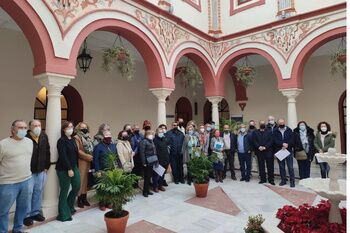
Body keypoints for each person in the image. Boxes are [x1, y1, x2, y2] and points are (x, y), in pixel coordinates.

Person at [0, 120, 33, 233]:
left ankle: (17, 229)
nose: (23, 130)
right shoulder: (3, 144)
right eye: (20, 127)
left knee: (22, 208)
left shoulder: (29, 142)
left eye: (24, 127)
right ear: (13, 129)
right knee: (3, 210)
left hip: (26, 180)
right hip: (8, 183)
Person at [24, 120, 51, 226]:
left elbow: (47, 151)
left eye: (39, 125)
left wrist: (46, 166)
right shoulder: (25, 138)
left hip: (41, 170)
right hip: (28, 172)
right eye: (35, 125)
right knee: (27, 194)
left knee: (38, 192)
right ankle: (26, 216)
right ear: (30, 127)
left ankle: (35, 213)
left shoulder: (44, 136)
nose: (37, 127)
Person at [56, 121, 81, 221]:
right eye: (68, 127)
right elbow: (63, 156)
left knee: (76, 186)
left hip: (74, 166)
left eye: (71, 126)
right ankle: (63, 214)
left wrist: (75, 167)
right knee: (64, 190)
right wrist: (69, 169)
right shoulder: (61, 141)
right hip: (64, 168)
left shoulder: (73, 139)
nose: (70, 129)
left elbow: (75, 154)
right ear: (64, 129)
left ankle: (69, 206)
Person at [93, 131, 118, 210]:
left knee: (110, 186)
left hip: (112, 170)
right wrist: (98, 171)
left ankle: (108, 202)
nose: (108, 136)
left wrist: (119, 167)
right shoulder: (98, 147)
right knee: (102, 187)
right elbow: (95, 160)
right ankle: (102, 203)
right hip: (102, 170)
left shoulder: (113, 146)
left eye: (110, 134)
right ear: (103, 136)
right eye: (106, 135)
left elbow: (116, 157)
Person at [74, 122, 94, 208]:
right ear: (78, 128)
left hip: (89, 162)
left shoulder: (88, 137)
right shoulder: (76, 137)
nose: (84, 129)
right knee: (81, 181)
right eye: (82, 127)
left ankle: (84, 198)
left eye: (85, 127)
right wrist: (88, 157)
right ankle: (79, 200)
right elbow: (78, 151)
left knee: (86, 181)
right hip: (82, 161)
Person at [273, 119, 295, 187]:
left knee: (290, 167)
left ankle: (292, 181)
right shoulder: (275, 131)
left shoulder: (289, 130)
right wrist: (282, 144)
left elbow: (292, 139)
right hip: (280, 151)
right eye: (280, 123)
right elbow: (274, 140)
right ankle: (283, 180)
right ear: (278, 124)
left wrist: (287, 144)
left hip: (288, 151)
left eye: (282, 122)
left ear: (284, 122)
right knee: (281, 167)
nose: (281, 124)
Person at [252, 121, 275, 185]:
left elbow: (271, 141)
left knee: (270, 166)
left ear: (265, 124)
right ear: (259, 124)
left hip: (268, 151)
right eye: (261, 123)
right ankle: (263, 179)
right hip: (259, 151)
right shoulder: (255, 132)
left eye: (263, 123)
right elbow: (254, 140)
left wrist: (265, 147)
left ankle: (271, 180)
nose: (262, 124)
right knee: (261, 166)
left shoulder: (269, 131)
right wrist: (258, 146)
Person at [139, 131, 157, 197]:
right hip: (146, 161)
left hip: (151, 161)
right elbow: (142, 153)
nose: (151, 135)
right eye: (150, 134)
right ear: (146, 135)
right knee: (146, 177)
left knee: (149, 177)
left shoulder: (151, 141)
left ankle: (147, 190)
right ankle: (145, 192)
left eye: (152, 134)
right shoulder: (144, 142)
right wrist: (143, 162)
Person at [153, 127, 170, 192]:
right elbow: (155, 151)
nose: (161, 133)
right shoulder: (155, 140)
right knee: (156, 175)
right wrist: (156, 160)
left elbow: (166, 149)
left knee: (162, 174)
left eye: (162, 132)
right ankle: (155, 187)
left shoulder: (164, 139)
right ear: (157, 133)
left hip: (165, 159)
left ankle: (160, 186)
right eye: (160, 132)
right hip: (159, 160)